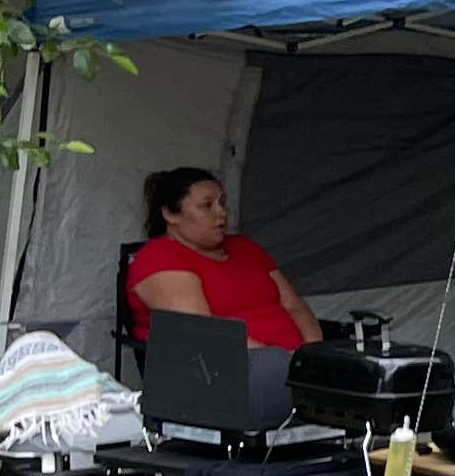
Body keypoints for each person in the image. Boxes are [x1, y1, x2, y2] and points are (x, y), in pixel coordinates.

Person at [128, 167, 320, 424]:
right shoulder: (158, 258)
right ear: (170, 214)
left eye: (222, 203)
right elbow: (205, 332)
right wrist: (286, 361)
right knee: (274, 371)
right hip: (219, 376)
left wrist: (311, 352)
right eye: (206, 206)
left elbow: (294, 306)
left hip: (291, 365)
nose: (221, 213)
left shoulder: (244, 247)